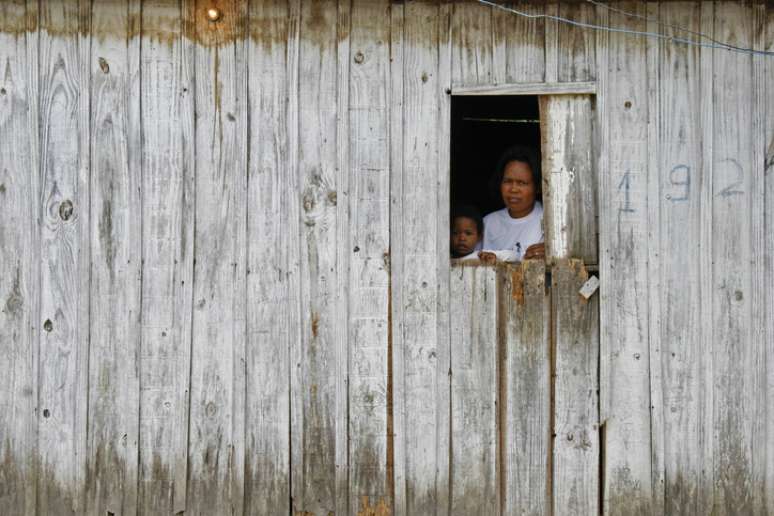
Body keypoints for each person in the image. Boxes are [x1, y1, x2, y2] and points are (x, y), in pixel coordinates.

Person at [479, 146, 545, 264]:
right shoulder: (487, 223)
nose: (513, 189)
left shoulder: (549, 223)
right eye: (507, 181)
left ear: (538, 187)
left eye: (522, 183)